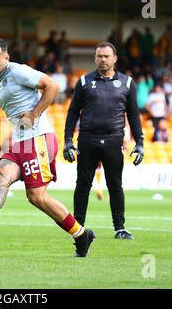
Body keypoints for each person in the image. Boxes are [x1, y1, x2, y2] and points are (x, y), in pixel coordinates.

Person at [0, 37, 95, 257]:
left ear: (7, 57)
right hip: (21, 141)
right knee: (2, 175)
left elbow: (52, 86)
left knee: (36, 196)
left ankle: (81, 234)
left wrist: (33, 115)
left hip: (38, 138)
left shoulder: (17, 71)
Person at [64, 41, 144, 240]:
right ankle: (78, 228)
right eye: (99, 56)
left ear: (115, 59)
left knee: (115, 185)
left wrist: (140, 142)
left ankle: (120, 228)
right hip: (87, 140)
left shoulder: (127, 83)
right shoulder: (84, 81)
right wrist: (67, 140)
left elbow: (134, 115)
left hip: (114, 140)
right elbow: (73, 111)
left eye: (107, 56)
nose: (103, 59)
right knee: (83, 185)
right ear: (95, 58)